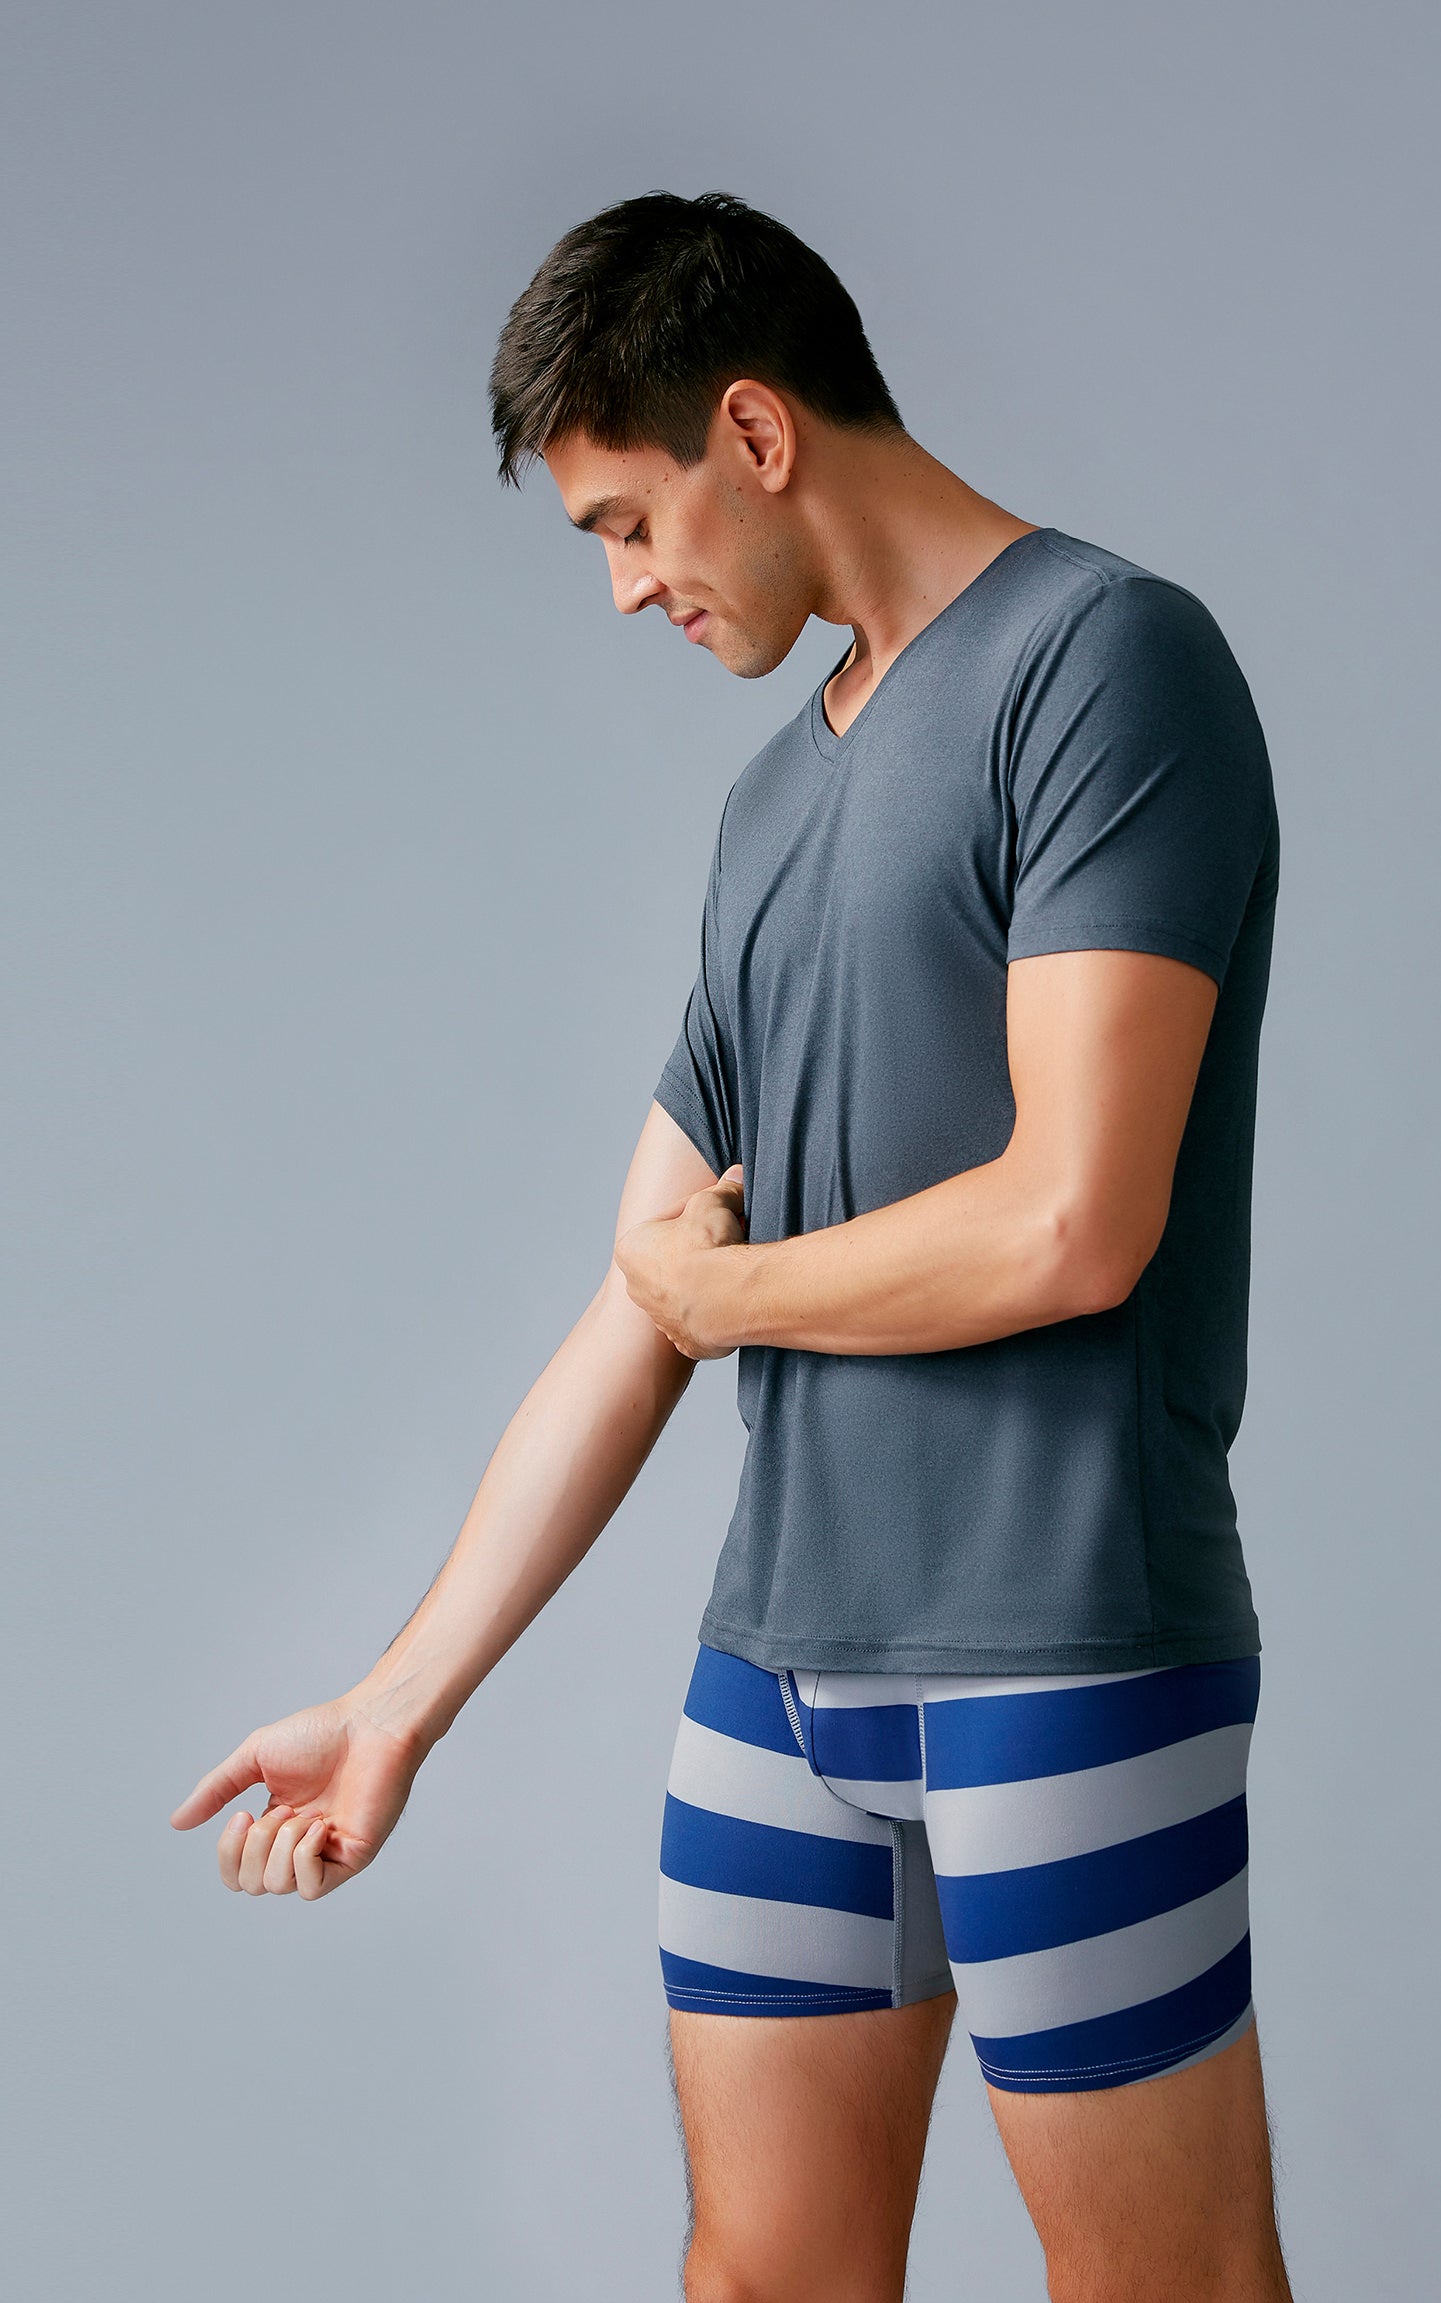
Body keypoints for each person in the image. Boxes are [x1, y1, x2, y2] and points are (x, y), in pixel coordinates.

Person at [172, 191, 1289, 2303]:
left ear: (755, 435)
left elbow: (1075, 1218)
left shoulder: (1105, 662)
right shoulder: (770, 805)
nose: (623, 587)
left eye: (626, 522)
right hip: (778, 1682)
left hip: (1066, 1651)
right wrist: (397, 1706)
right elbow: (643, 1296)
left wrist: (721, 1295)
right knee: (758, 2279)